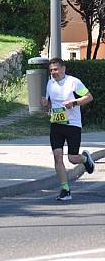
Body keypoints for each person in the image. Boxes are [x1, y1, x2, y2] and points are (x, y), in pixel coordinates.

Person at [40, 57, 94, 201]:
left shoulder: (74, 82)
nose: (53, 72)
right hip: (56, 125)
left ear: (63, 69)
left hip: (73, 124)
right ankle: (65, 189)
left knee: (72, 158)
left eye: (56, 69)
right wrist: (46, 104)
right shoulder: (50, 83)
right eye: (51, 70)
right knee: (57, 157)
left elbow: (89, 97)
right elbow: (50, 105)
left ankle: (85, 159)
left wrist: (74, 102)